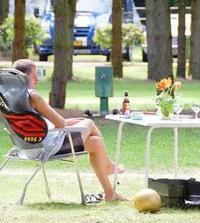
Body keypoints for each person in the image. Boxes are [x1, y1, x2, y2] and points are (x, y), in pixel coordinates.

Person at [13, 59, 127, 202]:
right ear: (24, 78)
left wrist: (74, 121)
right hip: (50, 146)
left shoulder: (12, 96)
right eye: (34, 75)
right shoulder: (33, 96)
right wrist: (74, 122)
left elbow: (46, 124)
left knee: (95, 142)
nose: (37, 80)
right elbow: (60, 123)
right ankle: (109, 165)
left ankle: (110, 193)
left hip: (28, 147)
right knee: (89, 123)